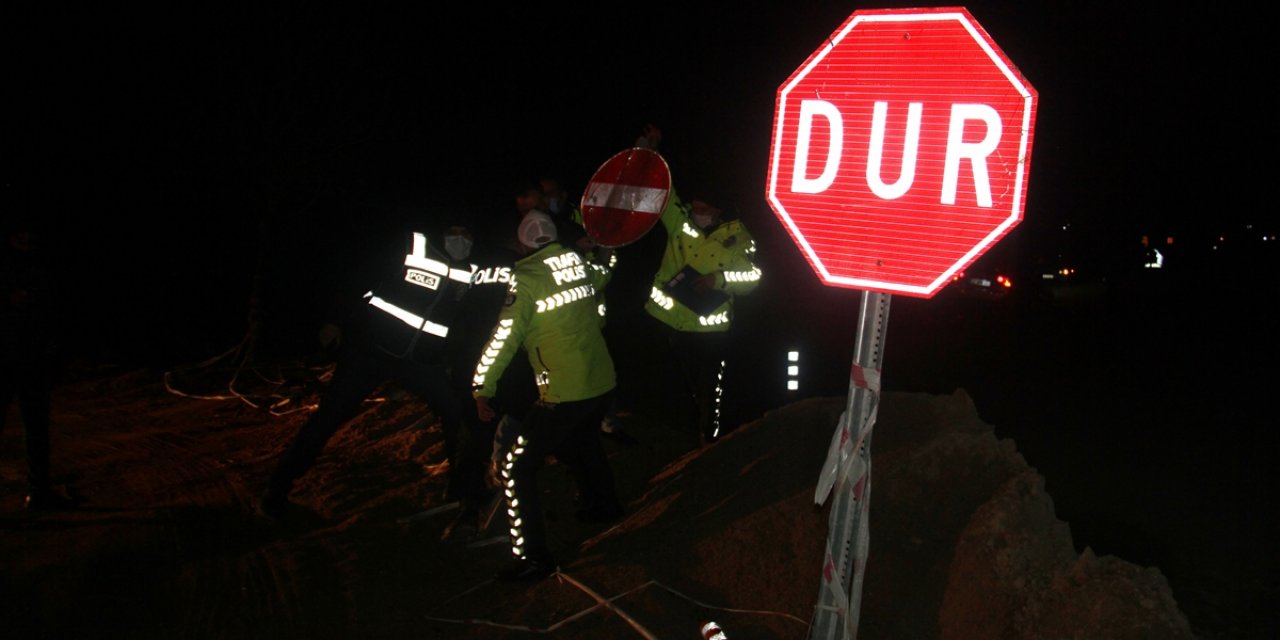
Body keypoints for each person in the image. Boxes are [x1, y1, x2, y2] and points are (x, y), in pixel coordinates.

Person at [257, 220, 485, 520]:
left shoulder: (472, 269)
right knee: (328, 416)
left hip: (420, 361)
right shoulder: (410, 246)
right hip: (370, 351)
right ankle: (277, 489)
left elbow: (467, 320)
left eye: (467, 233)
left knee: (457, 411)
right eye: (456, 232)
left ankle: (463, 490)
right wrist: (334, 320)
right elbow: (360, 276)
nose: (462, 239)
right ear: (441, 230)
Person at [472, 210, 622, 582]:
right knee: (583, 442)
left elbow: (503, 339)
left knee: (515, 468)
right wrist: (607, 250)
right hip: (600, 381)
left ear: (523, 243)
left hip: (562, 391)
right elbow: (604, 276)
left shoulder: (526, 278)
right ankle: (604, 508)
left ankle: (534, 558)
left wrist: (482, 387)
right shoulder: (577, 262)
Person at [638, 126, 763, 444]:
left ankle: (709, 441)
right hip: (669, 322)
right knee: (673, 387)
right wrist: (649, 149)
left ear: (718, 211)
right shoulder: (681, 224)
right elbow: (659, 190)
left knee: (709, 390)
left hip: (711, 332)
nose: (697, 214)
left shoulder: (740, 238)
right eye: (694, 208)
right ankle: (679, 437)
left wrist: (718, 280)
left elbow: (752, 278)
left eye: (703, 210)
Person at [2, 216, 78, 511]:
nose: (28, 238)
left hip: (30, 356)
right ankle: (39, 491)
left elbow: (51, 308)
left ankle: (40, 491)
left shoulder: (37, 265)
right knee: (32, 424)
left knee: (36, 426)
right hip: (10, 356)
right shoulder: (13, 266)